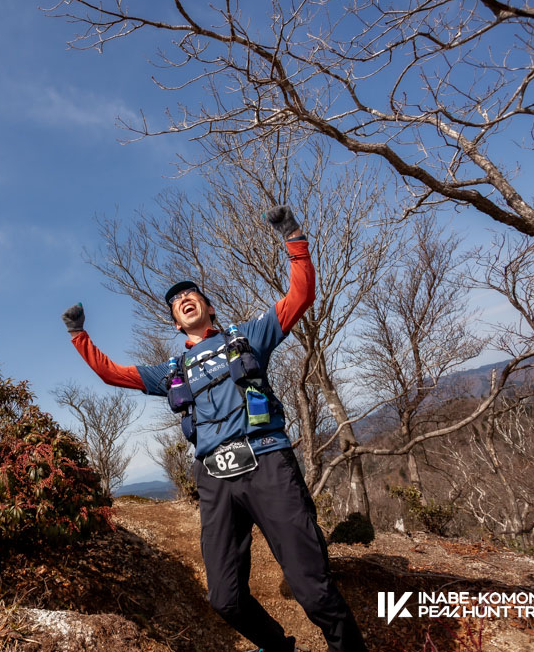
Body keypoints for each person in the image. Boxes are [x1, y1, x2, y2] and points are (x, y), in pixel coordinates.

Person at [60, 206, 367, 652]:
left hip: (267, 462)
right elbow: (113, 373)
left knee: (313, 588)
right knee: (225, 599)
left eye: (192, 294)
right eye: (176, 301)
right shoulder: (172, 370)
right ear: (175, 321)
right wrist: (78, 335)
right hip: (214, 479)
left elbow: (300, 295)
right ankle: (277, 646)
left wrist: (293, 238)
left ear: (208, 306)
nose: (184, 299)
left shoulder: (248, 337)